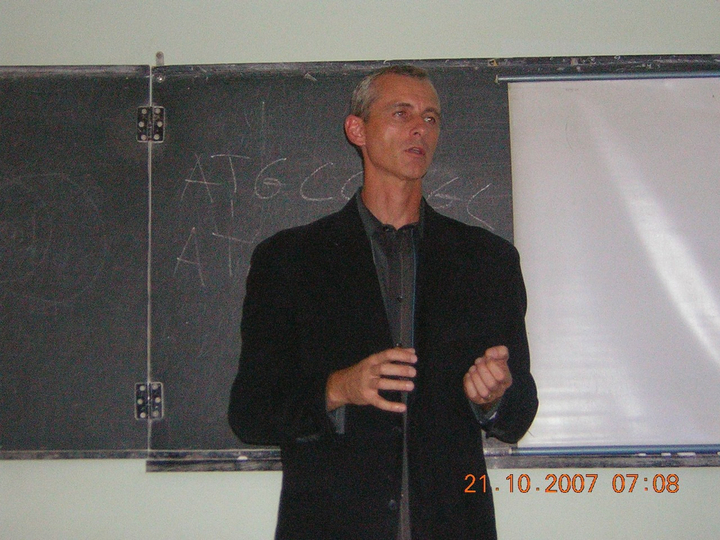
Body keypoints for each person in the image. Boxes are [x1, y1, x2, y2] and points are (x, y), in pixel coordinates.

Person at [228, 65, 538, 540]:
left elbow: (519, 414)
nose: (420, 129)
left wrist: (493, 399)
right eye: (401, 113)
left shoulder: (486, 261)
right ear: (358, 130)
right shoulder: (290, 260)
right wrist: (337, 388)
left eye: (431, 118)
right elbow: (250, 412)